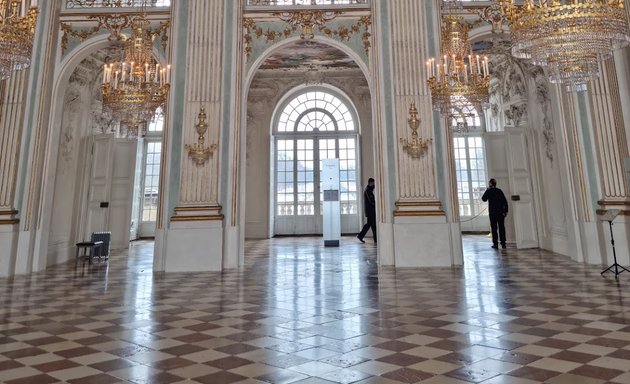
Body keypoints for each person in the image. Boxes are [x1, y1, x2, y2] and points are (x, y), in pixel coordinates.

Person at [481, 178, 508, 249]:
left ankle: (495, 244)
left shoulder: (489, 191)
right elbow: (505, 201)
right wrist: (505, 211)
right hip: (500, 212)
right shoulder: (499, 191)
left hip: (493, 213)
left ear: (490, 184)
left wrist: (487, 190)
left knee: (494, 228)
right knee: (501, 228)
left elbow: (483, 199)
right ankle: (503, 243)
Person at [357, 178, 376, 243]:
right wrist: (376, 205)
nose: (374, 184)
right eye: (373, 183)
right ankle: (360, 235)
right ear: (370, 183)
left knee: (372, 225)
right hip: (370, 211)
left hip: (371, 211)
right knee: (370, 225)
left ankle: (375, 239)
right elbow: (371, 201)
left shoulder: (369, 190)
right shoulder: (367, 190)